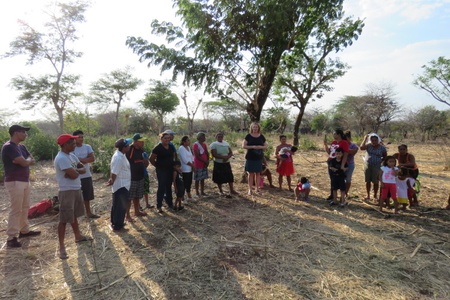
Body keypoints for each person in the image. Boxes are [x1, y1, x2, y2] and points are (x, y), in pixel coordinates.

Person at [2, 125, 41, 248]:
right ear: (15, 133)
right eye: (23, 132)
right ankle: (11, 237)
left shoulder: (21, 147)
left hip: (24, 180)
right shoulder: (8, 147)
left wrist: (24, 161)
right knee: (16, 209)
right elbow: (25, 162)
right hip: (14, 181)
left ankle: (24, 231)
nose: (26, 134)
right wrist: (25, 161)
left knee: (25, 207)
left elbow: (31, 160)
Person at [54, 134, 90, 259]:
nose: (75, 145)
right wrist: (74, 172)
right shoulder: (62, 158)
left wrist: (73, 172)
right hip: (66, 191)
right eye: (72, 143)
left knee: (73, 214)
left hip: (75, 189)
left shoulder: (71, 156)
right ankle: (61, 248)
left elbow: (82, 169)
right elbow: (75, 174)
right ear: (64, 145)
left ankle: (78, 236)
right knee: (64, 219)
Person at [106, 138, 132, 231]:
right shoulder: (118, 157)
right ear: (124, 148)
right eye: (128, 145)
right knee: (120, 206)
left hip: (123, 184)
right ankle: (118, 226)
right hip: (121, 185)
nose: (129, 146)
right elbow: (114, 172)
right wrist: (112, 181)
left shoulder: (121, 155)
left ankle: (116, 223)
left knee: (117, 205)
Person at [72, 130, 99, 219]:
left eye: (82, 137)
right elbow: (72, 162)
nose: (81, 139)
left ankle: (88, 212)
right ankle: (76, 214)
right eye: (79, 137)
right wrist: (85, 159)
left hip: (86, 175)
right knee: (76, 196)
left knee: (87, 196)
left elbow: (92, 158)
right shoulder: (71, 148)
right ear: (74, 138)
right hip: (76, 176)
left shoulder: (87, 147)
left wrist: (80, 160)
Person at [150, 132, 176, 213]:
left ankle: (170, 203)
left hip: (169, 170)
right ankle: (159, 206)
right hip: (161, 171)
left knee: (169, 187)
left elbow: (174, 156)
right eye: (165, 138)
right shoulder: (157, 148)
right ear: (161, 139)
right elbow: (151, 159)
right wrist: (158, 166)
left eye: (168, 138)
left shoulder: (171, 146)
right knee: (161, 187)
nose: (167, 139)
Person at [125, 133, 148, 222]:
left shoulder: (141, 150)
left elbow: (144, 162)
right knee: (129, 197)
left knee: (137, 196)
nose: (143, 143)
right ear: (135, 142)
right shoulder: (130, 150)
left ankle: (137, 211)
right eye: (140, 141)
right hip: (131, 177)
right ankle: (127, 215)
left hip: (140, 176)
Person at [360, 133, 387, 202]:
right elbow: (361, 148)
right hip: (368, 165)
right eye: (372, 140)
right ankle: (368, 195)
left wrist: (381, 162)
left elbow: (385, 156)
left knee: (376, 181)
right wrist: (365, 139)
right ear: (370, 141)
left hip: (377, 166)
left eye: (375, 140)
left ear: (378, 140)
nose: (374, 142)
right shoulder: (368, 146)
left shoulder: (382, 147)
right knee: (367, 180)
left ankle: (375, 195)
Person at [243, 122, 268, 196]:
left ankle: (257, 189)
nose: (255, 129)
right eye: (253, 127)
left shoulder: (261, 137)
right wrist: (253, 147)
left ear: (258, 128)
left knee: (258, 174)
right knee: (250, 174)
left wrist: (260, 147)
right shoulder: (248, 136)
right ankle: (250, 189)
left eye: (256, 127)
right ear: (251, 128)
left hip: (259, 158)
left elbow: (265, 146)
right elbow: (243, 146)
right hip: (250, 157)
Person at [324, 129, 349, 200]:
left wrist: (342, 165)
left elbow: (346, 154)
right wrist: (326, 145)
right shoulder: (333, 142)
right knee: (332, 178)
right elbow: (329, 152)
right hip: (331, 162)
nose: (333, 135)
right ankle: (332, 195)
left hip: (338, 163)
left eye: (335, 134)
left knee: (340, 179)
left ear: (339, 134)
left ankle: (342, 196)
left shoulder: (344, 143)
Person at [210, 132, 238, 197]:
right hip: (218, 163)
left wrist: (227, 157)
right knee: (219, 177)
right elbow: (214, 154)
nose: (220, 138)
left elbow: (231, 153)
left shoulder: (226, 143)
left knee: (230, 176)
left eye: (221, 137)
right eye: (218, 137)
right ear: (216, 137)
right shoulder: (214, 144)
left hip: (226, 162)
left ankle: (232, 190)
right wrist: (223, 157)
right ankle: (220, 190)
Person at [178, 136, 195, 203]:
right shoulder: (181, 148)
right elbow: (184, 159)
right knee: (184, 183)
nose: (189, 142)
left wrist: (193, 164)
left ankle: (189, 195)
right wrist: (192, 165)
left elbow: (191, 157)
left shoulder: (188, 148)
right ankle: (182, 197)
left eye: (189, 140)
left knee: (189, 182)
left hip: (190, 168)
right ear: (183, 142)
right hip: (185, 168)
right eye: (187, 141)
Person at [193, 132, 209, 197]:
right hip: (198, 164)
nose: (205, 138)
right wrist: (205, 161)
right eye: (203, 137)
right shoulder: (195, 145)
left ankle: (202, 191)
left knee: (203, 178)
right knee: (197, 179)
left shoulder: (204, 144)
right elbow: (197, 155)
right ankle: (197, 192)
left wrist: (207, 161)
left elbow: (207, 153)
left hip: (204, 163)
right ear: (200, 137)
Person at [344, 130, 359, 197]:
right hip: (342, 164)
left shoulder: (354, 145)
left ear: (349, 138)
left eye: (346, 138)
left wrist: (344, 149)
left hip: (350, 164)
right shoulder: (342, 144)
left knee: (348, 179)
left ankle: (345, 192)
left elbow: (353, 153)